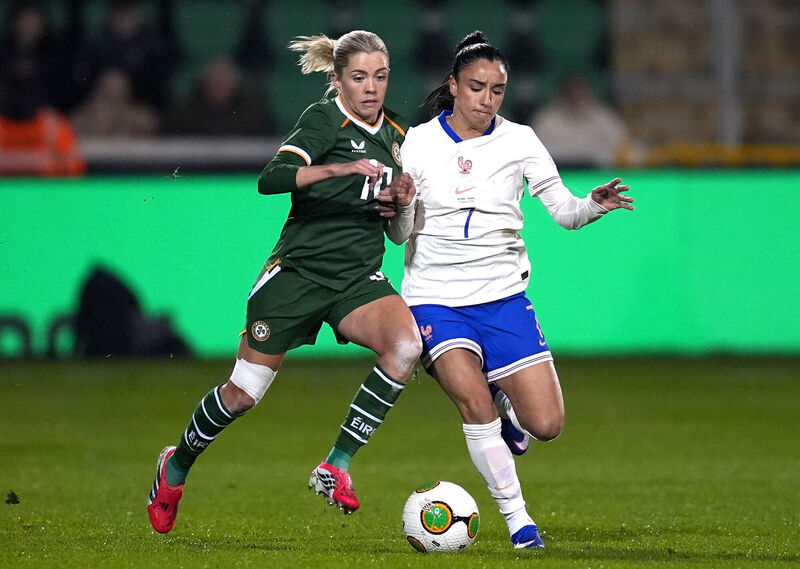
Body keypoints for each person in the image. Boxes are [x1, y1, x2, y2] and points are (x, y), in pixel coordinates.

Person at [147, 30, 422, 534]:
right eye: (358, 77)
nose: (371, 88)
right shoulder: (322, 119)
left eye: (380, 77)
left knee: (406, 347)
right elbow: (270, 178)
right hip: (297, 274)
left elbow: (401, 233)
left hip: (358, 278)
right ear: (337, 79)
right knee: (244, 394)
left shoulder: (401, 137)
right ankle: (176, 466)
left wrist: (403, 203)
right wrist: (336, 168)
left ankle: (336, 464)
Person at [396, 31, 634, 549]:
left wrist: (593, 204)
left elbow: (566, 214)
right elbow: (398, 235)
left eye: (497, 90)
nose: (487, 99)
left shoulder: (521, 140)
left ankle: (506, 399)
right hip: (434, 298)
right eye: (477, 87)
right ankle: (519, 521)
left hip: (503, 298)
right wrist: (402, 205)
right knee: (473, 407)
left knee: (546, 425)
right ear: (454, 86)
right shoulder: (417, 142)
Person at [531, 74, 632, 168]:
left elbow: (622, 146)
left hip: (599, 175)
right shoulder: (546, 119)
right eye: (571, 95)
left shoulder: (604, 117)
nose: (577, 100)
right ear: (561, 95)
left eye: (580, 94)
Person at [167, 58, 272, 137]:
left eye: (223, 83)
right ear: (205, 85)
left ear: (234, 85)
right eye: (215, 84)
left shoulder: (251, 116)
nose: (218, 88)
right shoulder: (186, 115)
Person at [70, 69, 159, 137]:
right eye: (109, 91)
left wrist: (123, 117)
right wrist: (95, 121)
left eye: (118, 91)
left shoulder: (137, 115)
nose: (113, 95)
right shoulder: (87, 115)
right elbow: (69, 128)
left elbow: (152, 123)